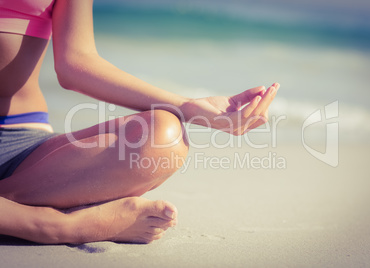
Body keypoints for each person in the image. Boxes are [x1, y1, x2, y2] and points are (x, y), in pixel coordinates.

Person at [0, 0, 279, 244]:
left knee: (161, 137)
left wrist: (189, 108)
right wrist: (61, 228)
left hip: (25, 141)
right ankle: (53, 224)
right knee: (55, 225)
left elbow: (76, 63)